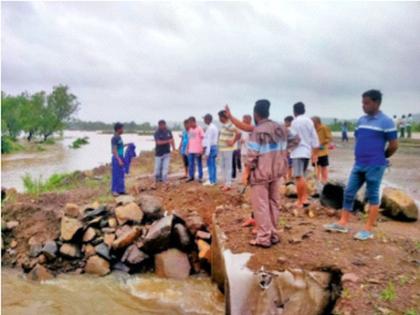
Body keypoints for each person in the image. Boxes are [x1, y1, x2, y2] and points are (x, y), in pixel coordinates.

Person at [324, 89, 398, 241]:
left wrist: (382, 157)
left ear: (376, 103)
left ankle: (368, 229)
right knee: (349, 191)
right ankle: (343, 222)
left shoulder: (387, 122)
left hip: (375, 165)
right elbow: (360, 139)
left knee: (372, 196)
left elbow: (393, 145)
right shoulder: (361, 121)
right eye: (362, 103)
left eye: (367, 103)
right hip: (359, 164)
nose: (363, 106)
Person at [244, 99, 299, 248]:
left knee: (260, 205)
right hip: (277, 172)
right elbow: (296, 139)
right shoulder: (280, 127)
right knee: (274, 203)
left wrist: (247, 171)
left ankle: (263, 238)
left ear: (255, 114)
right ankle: (273, 234)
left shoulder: (258, 131)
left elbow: (251, 156)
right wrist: (283, 152)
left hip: (261, 173)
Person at [290, 102, 320, 208]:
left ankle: (301, 200)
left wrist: (288, 148)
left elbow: (293, 139)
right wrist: (314, 153)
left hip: (298, 152)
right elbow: (315, 139)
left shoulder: (295, 122)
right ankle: (305, 198)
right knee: (303, 176)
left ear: (294, 111)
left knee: (299, 177)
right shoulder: (309, 121)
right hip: (307, 152)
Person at [218, 110, 240, 191]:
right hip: (222, 148)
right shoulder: (224, 125)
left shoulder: (230, 124)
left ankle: (228, 184)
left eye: (220, 117)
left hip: (227, 149)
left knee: (228, 166)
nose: (219, 119)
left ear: (223, 117)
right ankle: (225, 183)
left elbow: (238, 133)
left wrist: (233, 141)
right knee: (223, 166)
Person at [154, 120, 175, 185]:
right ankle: (158, 179)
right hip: (159, 153)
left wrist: (174, 148)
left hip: (167, 153)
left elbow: (172, 140)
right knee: (157, 169)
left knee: (165, 168)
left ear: (165, 125)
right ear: (159, 125)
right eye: (161, 125)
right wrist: (168, 141)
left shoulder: (168, 131)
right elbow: (158, 142)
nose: (162, 126)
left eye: (163, 125)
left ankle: (164, 180)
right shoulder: (156, 133)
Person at [311, 116, 332, 184]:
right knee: (316, 167)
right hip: (314, 151)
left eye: (312, 122)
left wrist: (321, 143)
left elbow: (329, 138)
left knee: (324, 166)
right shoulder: (312, 129)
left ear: (317, 122)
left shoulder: (324, 128)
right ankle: (317, 181)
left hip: (323, 151)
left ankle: (324, 181)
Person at [186, 116, 205, 182]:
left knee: (199, 163)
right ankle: (191, 176)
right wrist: (187, 148)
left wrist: (202, 149)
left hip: (198, 150)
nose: (189, 124)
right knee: (191, 163)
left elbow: (203, 139)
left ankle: (200, 177)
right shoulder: (190, 130)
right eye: (189, 123)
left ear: (194, 122)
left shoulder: (199, 129)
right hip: (191, 150)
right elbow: (190, 140)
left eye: (190, 123)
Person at [203, 114, 219, 186]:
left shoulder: (210, 128)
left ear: (207, 119)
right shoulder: (214, 127)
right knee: (213, 165)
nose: (204, 120)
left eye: (204, 119)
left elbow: (208, 141)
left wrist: (207, 153)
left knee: (210, 165)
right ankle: (214, 180)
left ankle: (211, 180)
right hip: (214, 147)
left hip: (211, 148)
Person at [111, 122, 126, 196]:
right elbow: (114, 150)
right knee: (116, 175)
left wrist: (127, 144)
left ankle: (121, 190)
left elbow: (120, 147)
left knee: (121, 174)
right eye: (122, 128)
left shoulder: (119, 137)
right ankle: (114, 191)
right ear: (118, 129)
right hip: (117, 158)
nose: (123, 130)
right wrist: (119, 160)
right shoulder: (114, 138)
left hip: (121, 157)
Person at [284, 116, 294, 182]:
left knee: (287, 165)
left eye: (285, 122)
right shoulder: (293, 129)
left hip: (288, 151)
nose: (284, 123)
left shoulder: (288, 130)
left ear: (288, 122)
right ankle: (289, 178)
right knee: (290, 166)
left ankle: (287, 179)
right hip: (292, 151)